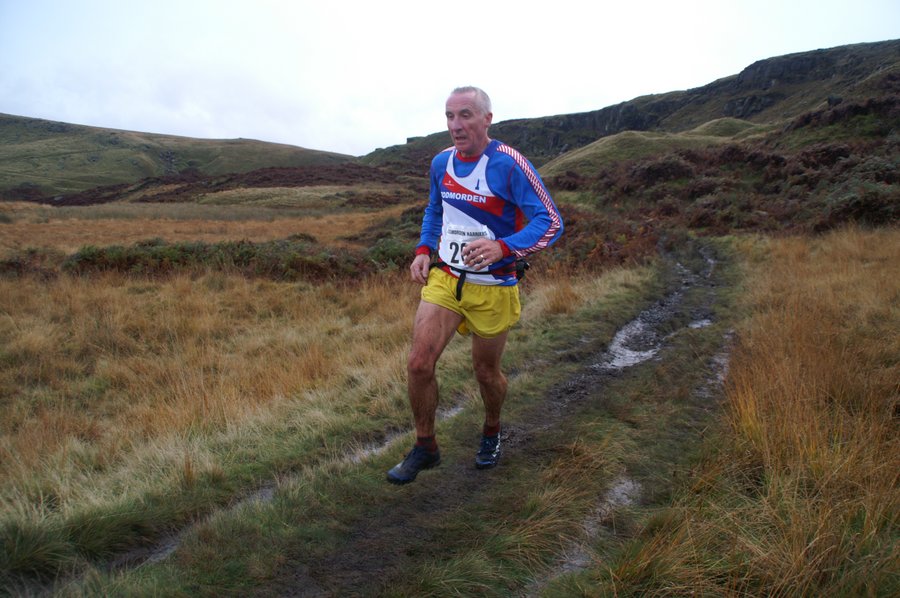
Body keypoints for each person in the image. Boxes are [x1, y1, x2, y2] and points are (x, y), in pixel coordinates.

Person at [387, 86, 564, 484]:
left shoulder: (509, 164)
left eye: (465, 115)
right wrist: (423, 249)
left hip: (494, 285)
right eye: (449, 116)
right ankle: (425, 446)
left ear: (487, 118)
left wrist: (504, 247)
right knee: (418, 363)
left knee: (486, 373)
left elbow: (550, 221)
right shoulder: (441, 163)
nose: (456, 125)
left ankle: (491, 429)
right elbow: (436, 208)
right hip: (447, 278)